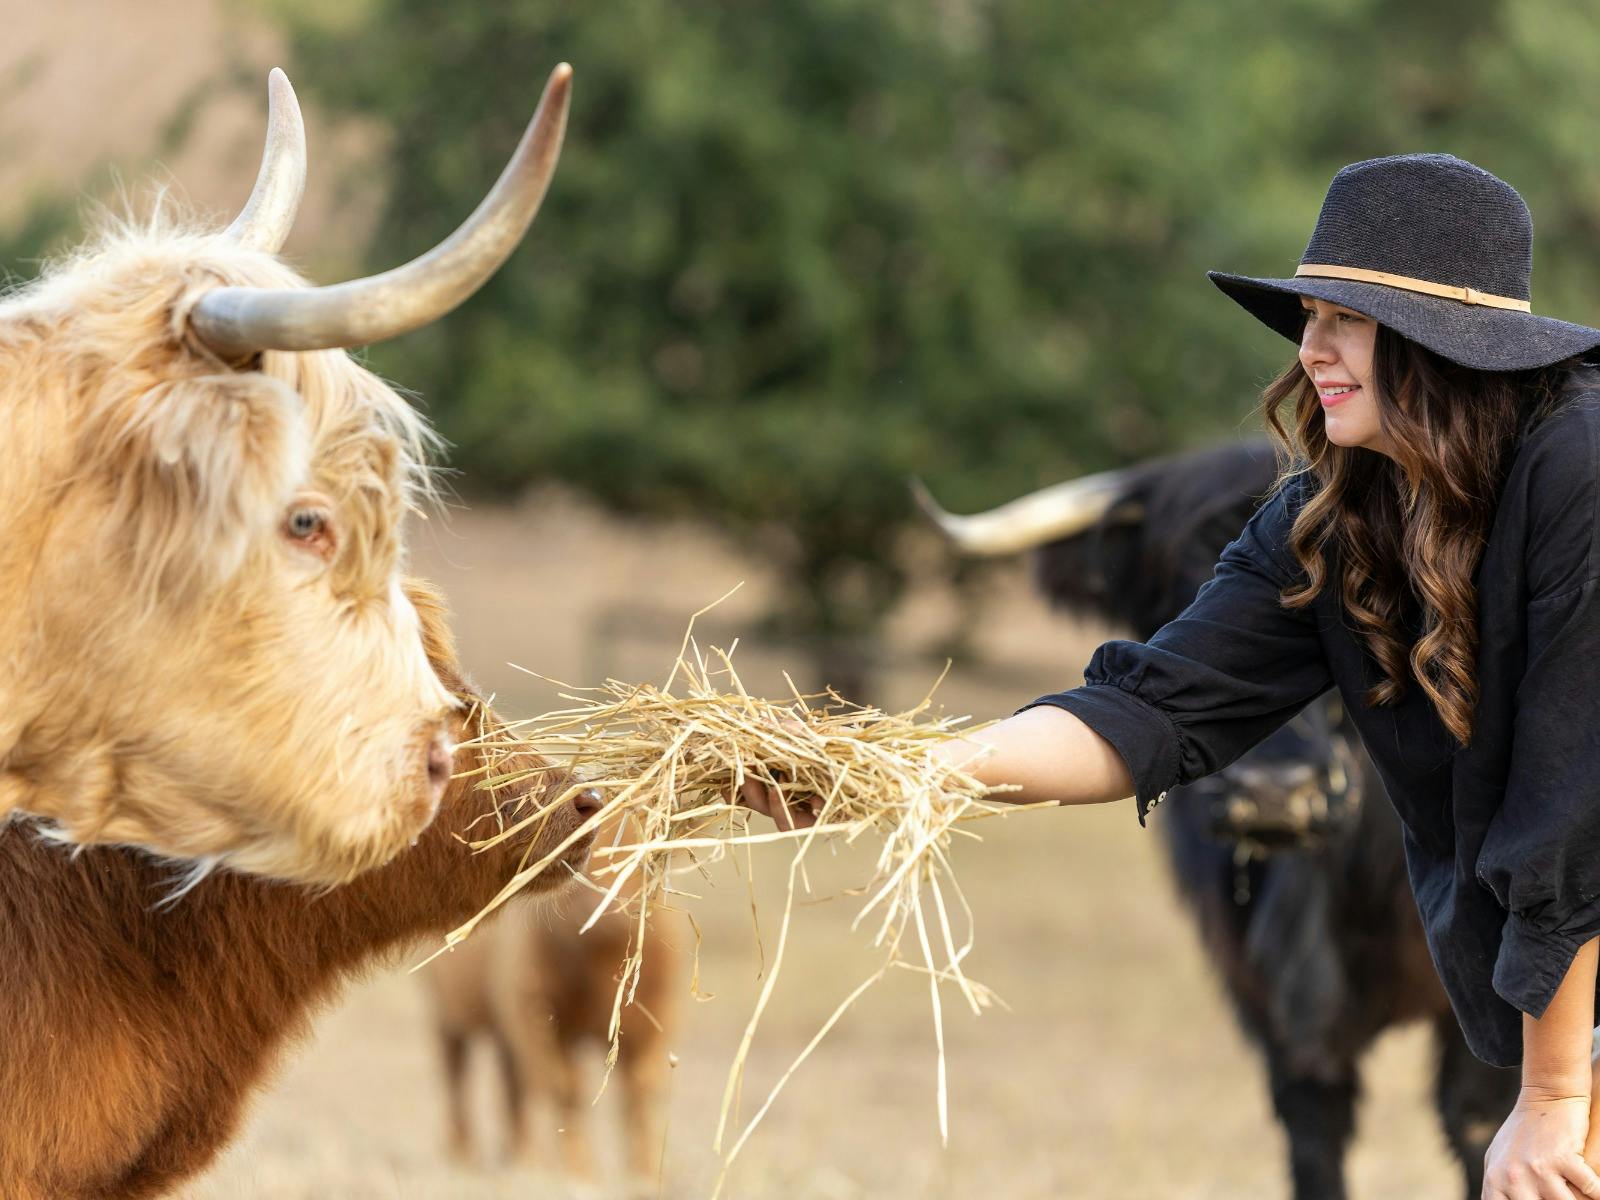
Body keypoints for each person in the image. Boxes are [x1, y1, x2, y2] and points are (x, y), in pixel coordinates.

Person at [742, 153, 1600, 1200]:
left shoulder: (1582, 467)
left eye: (1346, 319)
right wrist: (894, 770)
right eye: (1310, 316)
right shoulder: (1333, 521)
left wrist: (1554, 1093)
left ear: (1439, 343)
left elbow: (1572, 810)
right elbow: (1148, 710)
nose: (1310, 348)